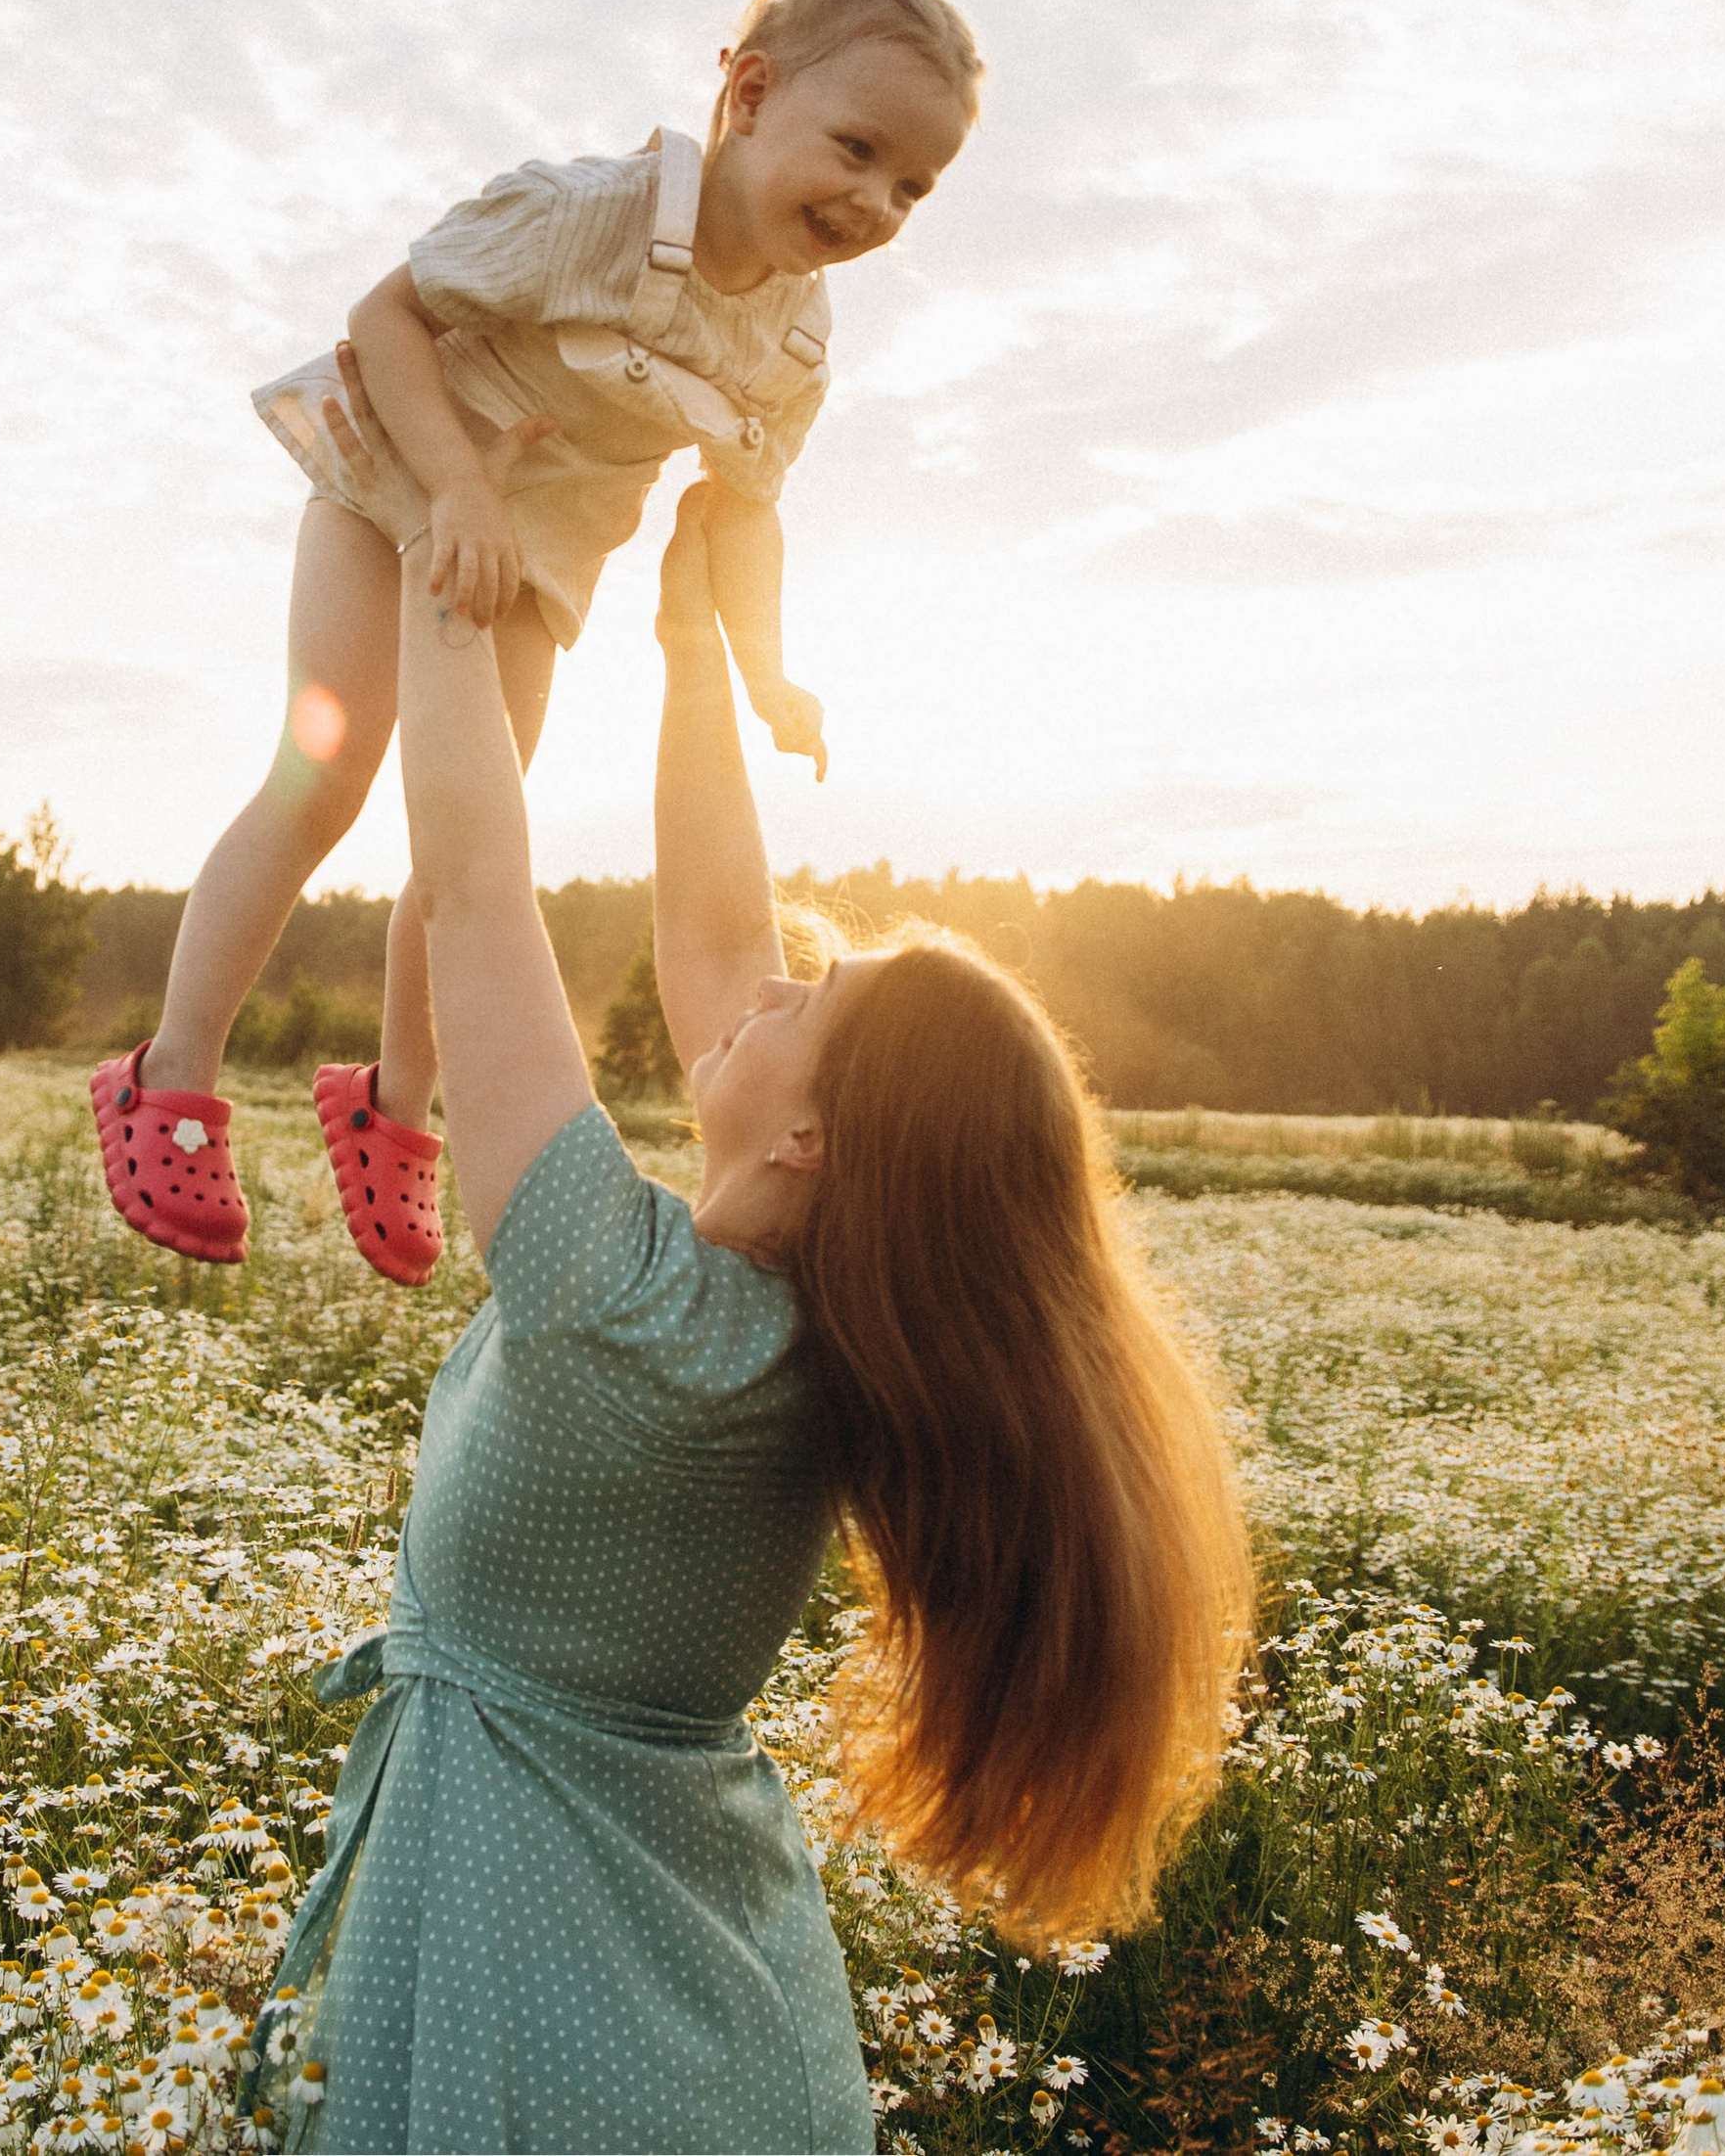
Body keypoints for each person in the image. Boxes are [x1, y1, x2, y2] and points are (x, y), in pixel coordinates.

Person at [250, 441, 1252, 2153]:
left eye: (813, 992)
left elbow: (479, 884)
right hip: (697, 1997)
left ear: (807, 1135)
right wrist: (693, 642)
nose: (766, 974)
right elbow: (717, 930)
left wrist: (445, 542)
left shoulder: (606, 1292)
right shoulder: (822, 1331)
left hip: (538, 1993)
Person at [92, 0, 981, 1287]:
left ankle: (393, 1105)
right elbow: (384, 316)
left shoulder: (792, 344)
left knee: (474, 837)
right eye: (858, 148)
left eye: (914, 184)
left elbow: (740, 512)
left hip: (535, 559)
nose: (876, 200)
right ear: (747, 96)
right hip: (399, 474)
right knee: (323, 772)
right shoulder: (594, 216)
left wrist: (769, 670)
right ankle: (170, 1072)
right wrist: (455, 480)